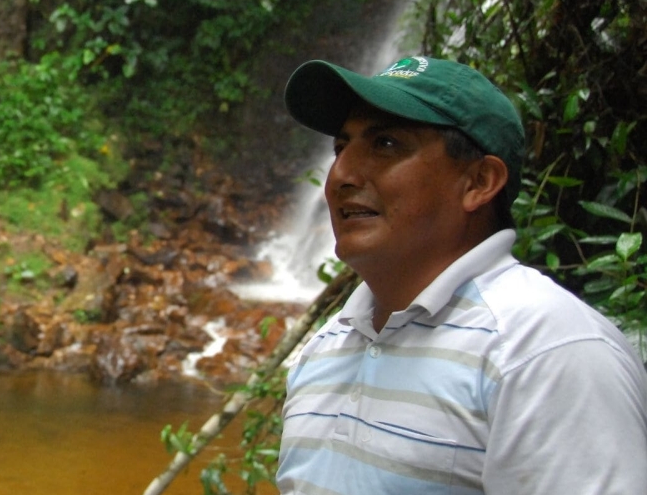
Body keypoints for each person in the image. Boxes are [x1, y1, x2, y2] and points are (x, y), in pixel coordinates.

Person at [274, 56, 647, 494]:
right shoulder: (324, 349)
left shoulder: (544, 351)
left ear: (479, 182)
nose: (341, 175)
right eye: (341, 148)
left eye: (386, 144)